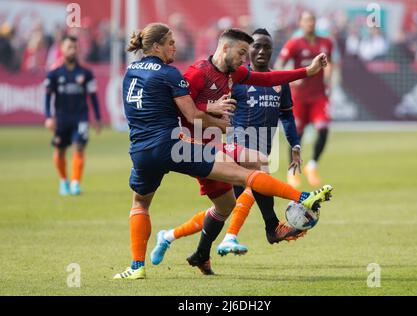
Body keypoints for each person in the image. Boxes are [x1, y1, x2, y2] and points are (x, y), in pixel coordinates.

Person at [113, 23, 333, 279]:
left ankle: (176, 256)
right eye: (241, 53)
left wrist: (307, 71)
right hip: (185, 144)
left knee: (224, 204)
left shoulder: (132, 71)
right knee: (253, 165)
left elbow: (268, 78)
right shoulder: (189, 74)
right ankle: (296, 202)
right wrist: (215, 113)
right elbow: (188, 113)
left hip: (144, 149)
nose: (245, 59)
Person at [150, 28, 304, 261]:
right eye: (253, 48)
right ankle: (246, 233)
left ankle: (180, 241)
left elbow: (287, 114)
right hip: (220, 146)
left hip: (238, 146)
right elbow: (183, 108)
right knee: (254, 179)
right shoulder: (228, 77)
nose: (260, 51)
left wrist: (295, 146)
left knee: (225, 207)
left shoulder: (267, 81)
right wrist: (209, 110)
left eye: (267, 47)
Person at [275, 11, 333, 188]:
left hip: (319, 96)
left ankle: (312, 165)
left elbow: (329, 63)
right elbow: (278, 65)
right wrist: (293, 78)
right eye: (307, 20)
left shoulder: (326, 42)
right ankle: (292, 171)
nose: (310, 23)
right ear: (300, 23)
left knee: (323, 129)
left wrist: (328, 76)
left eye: (313, 20)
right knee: (296, 136)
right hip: (298, 98)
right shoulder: (294, 43)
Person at [44, 35, 102, 196]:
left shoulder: (86, 72)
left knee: (79, 147)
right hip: (61, 118)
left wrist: (97, 118)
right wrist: (48, 117)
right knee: (60, 150)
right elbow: (47, 96)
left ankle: (75, 182)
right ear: (62, 49)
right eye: (69, 47)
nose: (72, 50)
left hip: (80, 117)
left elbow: (93, 96)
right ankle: (64, 181)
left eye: (75, 47)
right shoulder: (54, 72)